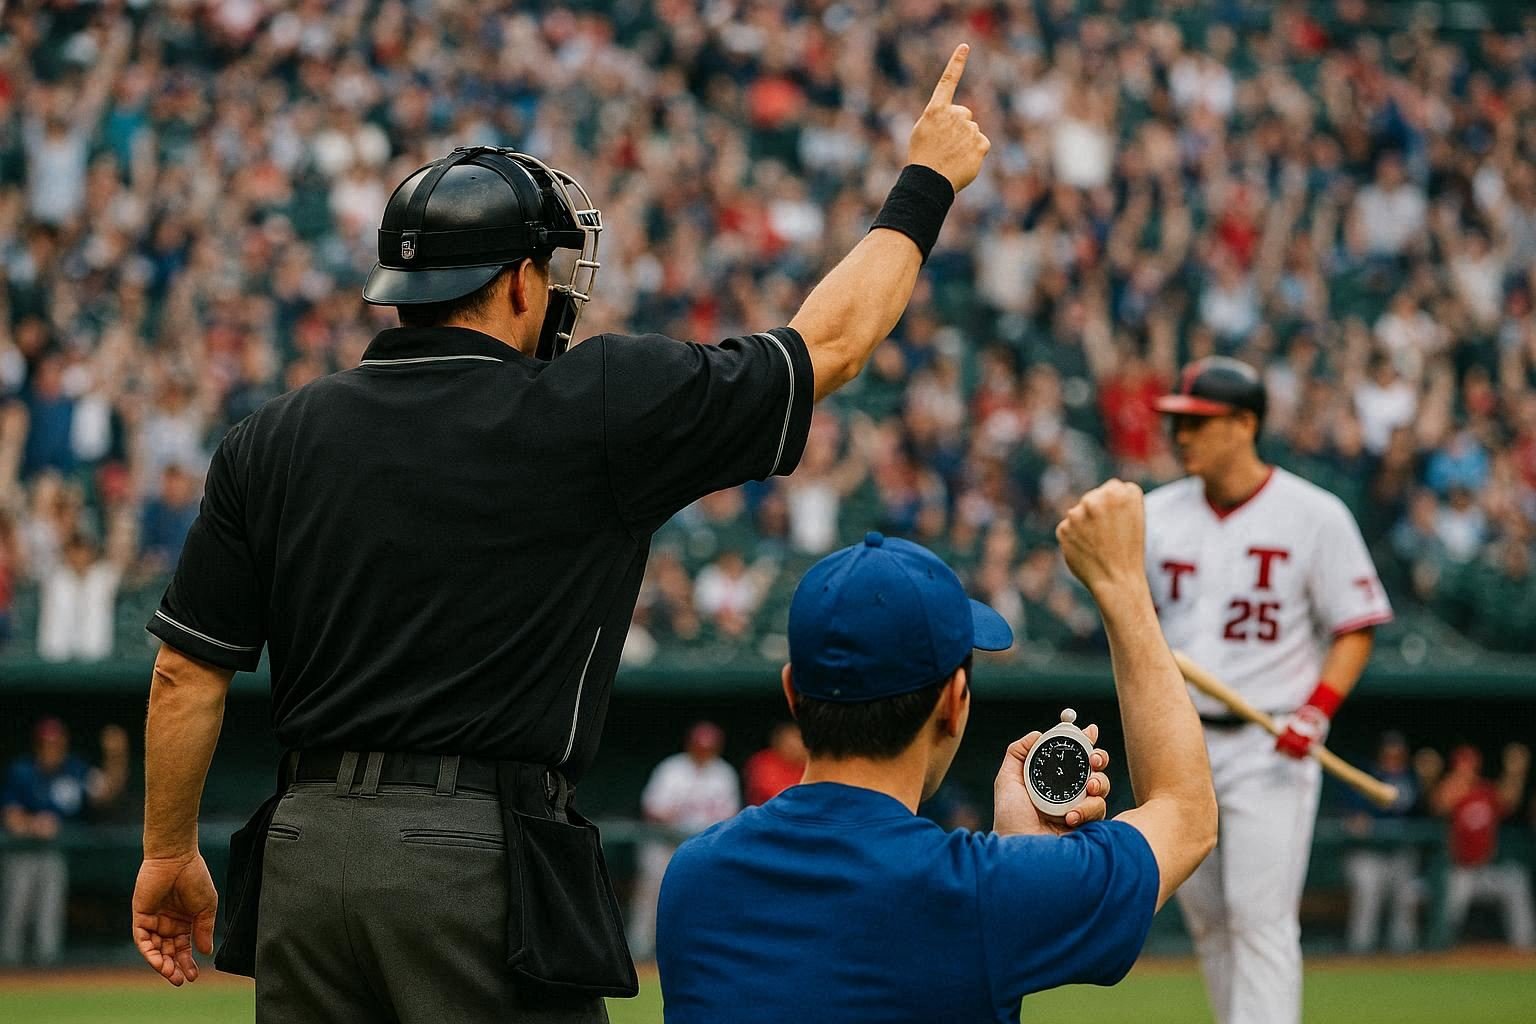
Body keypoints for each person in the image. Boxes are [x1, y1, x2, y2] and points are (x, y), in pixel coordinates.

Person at [130, 42, 990, 1024]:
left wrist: (166, 849)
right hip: (476, 856)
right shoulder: (599, 402)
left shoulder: (269, 436)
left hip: (304, 851)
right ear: (518, 282)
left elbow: (183, 674)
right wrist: (926, 180)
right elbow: (831, 343)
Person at [656, 481, 1217, 1022]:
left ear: (792, 695)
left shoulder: (693, 877)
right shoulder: (981, 893)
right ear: (954, 702)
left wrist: (1017, 853)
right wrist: (1123, 586)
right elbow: (1187, 815)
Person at [1146, 357, 1395, 1024]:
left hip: (1270, 742)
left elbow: (1356, 626)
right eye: (1178, 422)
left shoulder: (1314, 514)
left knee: (1260, 919)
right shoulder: (1154, 513)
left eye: (1199, 422)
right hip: (1181, 742)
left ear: (1245, 423)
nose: (1182, 435)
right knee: (1209, 922)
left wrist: (1317, 712)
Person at [1, 718, 128, 965]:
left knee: (49, 915)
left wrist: (116, 756)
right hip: (21, 852)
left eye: (57, 744)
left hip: (53, 853)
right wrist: (33, 824)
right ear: (38, 746)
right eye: (47, 744)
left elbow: (106, 793)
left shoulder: (74, 770)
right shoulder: (22, 771)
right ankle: (8, 970)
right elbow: (10, 816)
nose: (53, 749)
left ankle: (48, 973)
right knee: (15, 914)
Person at [626, 723, 740, 960]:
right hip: (664, 843)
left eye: (709, 748)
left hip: (703, 846)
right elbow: (652, 809)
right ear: (690, 745)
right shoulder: (671, 769)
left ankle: (696, 949)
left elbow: (730, 814)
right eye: (700, 747)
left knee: (704, 896)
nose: (704, 752)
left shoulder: (724, 773)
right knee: (652, 895)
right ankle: (639, 950)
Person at [1427, 743, 1535, 950]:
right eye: (1463, 765)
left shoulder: (1484, 791)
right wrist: (1435, 778)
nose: (1467, 770)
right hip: (1459, 870)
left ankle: (1525, 949)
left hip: (1487, 869)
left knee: (1517, 883)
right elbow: (1438, 805)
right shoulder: (1451, 792)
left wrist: (1515, 773)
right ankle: (1441, 949)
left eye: (1470, 765)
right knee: (1451, 906)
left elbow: (1509, 800)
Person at [1341, 732, 1423, 954]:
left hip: (1400, 852)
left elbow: (1423, 814)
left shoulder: (1411, 779)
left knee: (1405, 900)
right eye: (1389, 755)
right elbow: (1354, 819)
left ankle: (1404, 955)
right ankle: (1359, 953)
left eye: (1398, 755)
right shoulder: (1367, 777)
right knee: (1367, 897)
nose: (1393, 759)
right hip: (1369, 853)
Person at [742, 722, 806, 806]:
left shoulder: (810, 765)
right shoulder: (763, 763)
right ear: (777, 742)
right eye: (790, 744)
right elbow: (777, 797)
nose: (796, 748)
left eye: (800, 742)